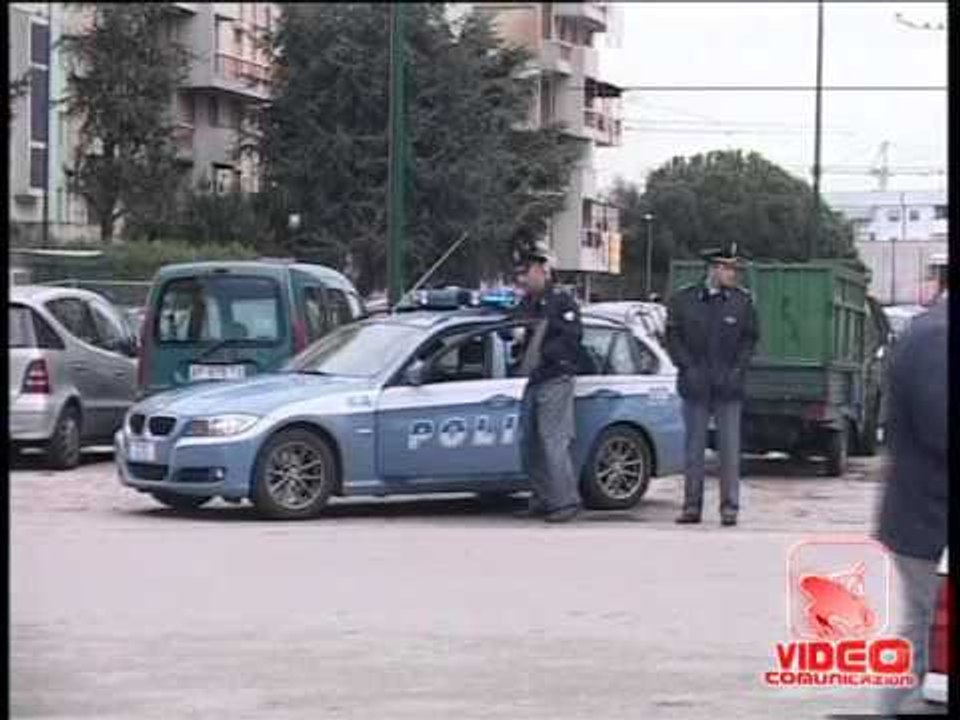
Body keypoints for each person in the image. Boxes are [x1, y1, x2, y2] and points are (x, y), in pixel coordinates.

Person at [874, 277, 948, 716]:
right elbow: (941, 427)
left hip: (922, 514)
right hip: (928, 519)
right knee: (925, 639)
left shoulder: (931, 331)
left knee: (923, 632)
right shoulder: (937, 337)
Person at [665, 242, 759, 526]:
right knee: (693, 450)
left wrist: (737, 370)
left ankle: (729, 508)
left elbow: (750, 339)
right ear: (714, 269)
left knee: (729, 451)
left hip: (727, 386)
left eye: (733, 268)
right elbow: (673, 336)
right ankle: (691, 506)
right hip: (696, 385)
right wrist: (686, 367)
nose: (733, 273)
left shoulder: (742, 302)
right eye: (728, 268)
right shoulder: (685, 300)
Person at [511, 242, 583, 523]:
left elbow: (572, 337)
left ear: (543, 270)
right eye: (520, 273)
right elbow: (510, 329)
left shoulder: (562, 302)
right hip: (531, 380)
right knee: (529, 444)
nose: (522, 279)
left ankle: (565, 501)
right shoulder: (527, 302)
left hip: (555, 378)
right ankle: (543, 497)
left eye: (526, 272)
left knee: (553, 442)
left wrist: (542, 351)